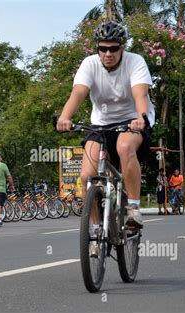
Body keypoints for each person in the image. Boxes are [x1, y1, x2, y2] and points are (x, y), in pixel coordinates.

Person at [56, 21, 155, 232]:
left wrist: (140, 117)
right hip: (101, 122)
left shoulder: (135, 62)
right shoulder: (89, 64)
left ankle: (133, 209)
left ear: (122, 48)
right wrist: (65, 117)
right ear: (97, 48)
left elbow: (140, 94)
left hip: (132, 118)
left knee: (124, 147)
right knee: (86, 177)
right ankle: (95, 227)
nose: (108, 53)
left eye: (113, 48)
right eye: (103, 48)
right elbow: (79, 93)